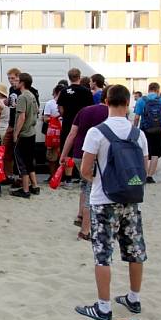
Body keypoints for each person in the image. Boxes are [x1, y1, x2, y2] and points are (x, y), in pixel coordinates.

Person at [75, 84, 148, 320]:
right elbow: (144, 170)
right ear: (128, 103)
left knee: (103, 254)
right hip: (130, 199)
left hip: (103, 200)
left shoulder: (97, 132)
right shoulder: (138, 134)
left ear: (106, 101)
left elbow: (85, 169)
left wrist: (101, 181)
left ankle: (104, 306)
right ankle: (134, 298)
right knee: (135, 251)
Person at [60, 86, 110, 241]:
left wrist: (63, 154)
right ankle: (85, 230)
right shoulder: (111, 113)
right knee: (92, 190)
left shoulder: (84, 111)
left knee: (84, 185)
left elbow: (72, 134)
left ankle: (81, 214)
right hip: (95, 154)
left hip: (78, 153)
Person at [133, 82, 161, 184]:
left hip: (145, 130)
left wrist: (134, 129)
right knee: (155, 153)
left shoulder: (142, 100)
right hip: (159, 130)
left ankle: (143, 174)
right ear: (158, 90)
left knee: (144, 152)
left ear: (148, 89)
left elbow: (136, 117)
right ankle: (150, 176)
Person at [58, 68, 94, 174]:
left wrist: (65, 115)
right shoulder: (86, 91)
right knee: (83, 147)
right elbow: (90, 108)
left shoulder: (64, 91)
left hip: (68, 123)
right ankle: (81, 173)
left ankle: (68, 177)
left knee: (67, 148)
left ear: (69, 77)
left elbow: (60, 108)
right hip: (83, 124)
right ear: (80, 76)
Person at [11, 73, 40, 199]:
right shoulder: (32, 95)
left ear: (22, 83)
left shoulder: (22, 97)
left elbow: (21, 116)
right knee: (29, 161)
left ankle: (25, 189)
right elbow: (37, 110)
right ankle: (34, 186)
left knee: (21, 161)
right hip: (31, 132)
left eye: (17, 81)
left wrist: (16, 133)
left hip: (24, 133)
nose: (15, 83)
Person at [42, 85, 62, 178]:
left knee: (61, 155)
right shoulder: (50, 103)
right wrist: (55, 119)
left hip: (64, 132)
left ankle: (61, 176)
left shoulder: (67, 103)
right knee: (51, 156)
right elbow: (45, 118)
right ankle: (53, 175)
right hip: (53, 134)